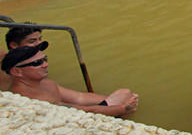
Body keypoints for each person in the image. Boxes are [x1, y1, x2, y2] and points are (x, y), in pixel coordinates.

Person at [2, 42, 138, 117]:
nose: (45, 64)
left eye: (44, 59)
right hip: (77, 118)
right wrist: (122, 108)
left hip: (80, 112)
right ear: (17, 72)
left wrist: (115, 100)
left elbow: (80, 97)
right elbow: (84, 111)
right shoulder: (30, 100)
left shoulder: (46, 83)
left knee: (125, 94)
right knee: (124, 97)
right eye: (37, 63)